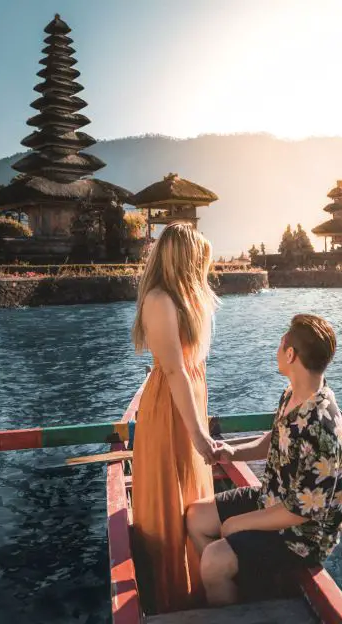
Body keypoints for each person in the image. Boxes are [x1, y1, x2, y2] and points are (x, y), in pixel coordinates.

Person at [186, 314, 342, 606]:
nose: (276, 350)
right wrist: (235, 452)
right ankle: (236, 587)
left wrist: (238, 524)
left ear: (291, 354)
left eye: (280, 344)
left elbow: (299, 512)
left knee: (213, 559)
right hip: (273, 498)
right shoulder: (293, 394)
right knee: (197, 518)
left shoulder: (320, 428)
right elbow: (275, 439)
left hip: (304, 534)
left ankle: (230, 591)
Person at [131, 222, 219, 613]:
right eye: (199, 260)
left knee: (192, 496)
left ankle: (201, 582)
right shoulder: (160, 299)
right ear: (183, 258)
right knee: (173, 497)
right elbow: (174, 371)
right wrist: (199, 434)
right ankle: (173, 597)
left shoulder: (182, 300)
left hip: (185, 407)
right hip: (170, 413)